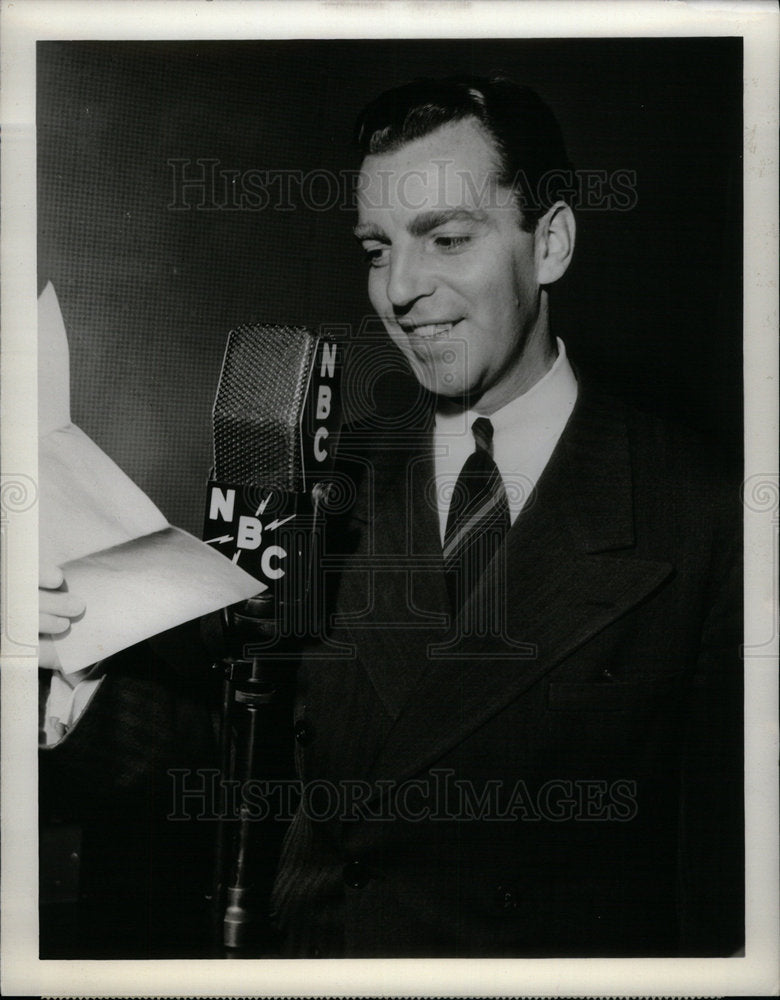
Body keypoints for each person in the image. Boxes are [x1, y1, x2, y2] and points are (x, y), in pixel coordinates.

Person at [39, 76, 743, 958]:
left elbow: (722, 891)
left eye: (446, 239)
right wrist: (67, 671)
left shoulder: (708, 514)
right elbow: (240, 763)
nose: (400, 290)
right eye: (377, 250)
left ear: (552, 242)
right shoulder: (309, 468)